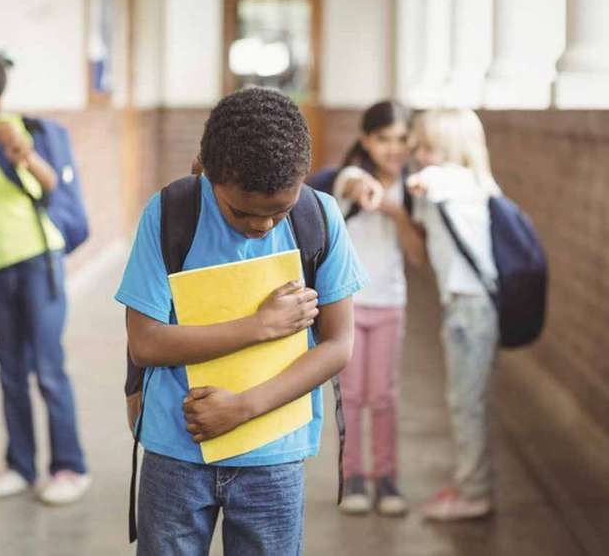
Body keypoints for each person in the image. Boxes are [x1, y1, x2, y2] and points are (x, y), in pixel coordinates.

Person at [117, 86, 367, 555]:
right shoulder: (171, 213)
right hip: (177, 448)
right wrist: (260, 326)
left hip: (274, 454)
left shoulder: (321, 218)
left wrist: (243, 407)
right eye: (242, 212)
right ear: (209, 174)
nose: (262, 227)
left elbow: (338, 345)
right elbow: (145, 342)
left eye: (280, 211)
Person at [0, 53, 89, 505]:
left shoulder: (5, 128)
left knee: (48, 369)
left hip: (37, 261)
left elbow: (48, 183)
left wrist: (25, 155)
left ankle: (69, 467)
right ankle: (20, 466)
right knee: (10, 372)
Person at [331, 100, 426, 516]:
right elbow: (353, 185)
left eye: (402, 139)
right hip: (348, 305)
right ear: (367, 140)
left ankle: (386, 479)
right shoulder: (351, 175)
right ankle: (351, 477)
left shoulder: (414, 188)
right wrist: (368, 191)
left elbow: (418, 256)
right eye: (383, 139)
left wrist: (396, 210)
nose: (393, 148)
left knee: (383, 396)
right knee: (351, 395)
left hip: (389, 302)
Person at [407, 108, 501, 521]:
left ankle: (475, 493)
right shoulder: (465, 185)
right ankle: (469, 480)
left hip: (471, 309)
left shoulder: (455, 180)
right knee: (465, 401)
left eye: (427, 146)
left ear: (448, 150)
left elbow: (427, 182)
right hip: (464, 306)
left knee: (467, 405)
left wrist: (420, 177)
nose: (419, 154)